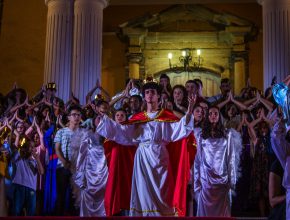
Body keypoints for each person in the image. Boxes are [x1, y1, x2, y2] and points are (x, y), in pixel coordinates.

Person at [95, 82, 196, 216]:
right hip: (142, 157)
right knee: (143, 191)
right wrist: (104, 117)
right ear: (144, 96)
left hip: (160, 156)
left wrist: (189, 110)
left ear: (159, 96)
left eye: (153, 92)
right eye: (147, 92)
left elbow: (181, 129)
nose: (150, 95)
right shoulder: (137, 119)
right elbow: (122, 131)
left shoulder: (166, 116)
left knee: (163, 190)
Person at [193, 106, 242, 217]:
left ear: (219, 116)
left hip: (222, 181)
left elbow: (230, 158)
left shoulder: (227, 134)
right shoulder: (201, 135)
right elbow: (198, 160)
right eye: (210, 114)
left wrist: (232, 180)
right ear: (207, 116)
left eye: (215, 113)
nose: (213, 116)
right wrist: (197, 181)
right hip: (206, 180)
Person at [54, 105, 82, 215]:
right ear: (69, 117)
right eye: (74, 115)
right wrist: (64, 161)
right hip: (62, 167)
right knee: (61, 195)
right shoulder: (61, 132)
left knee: (74, 197)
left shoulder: (83, 132)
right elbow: (57, 148)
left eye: (78, 115)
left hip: (77, 169)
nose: (76, 117)